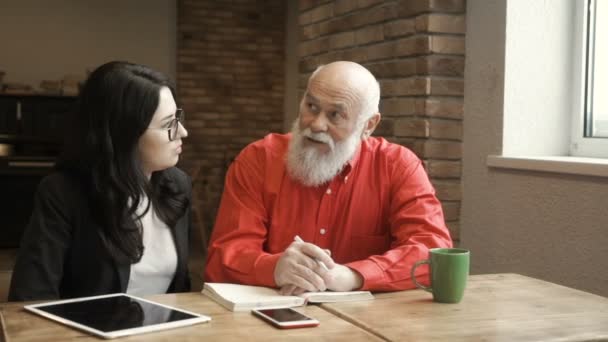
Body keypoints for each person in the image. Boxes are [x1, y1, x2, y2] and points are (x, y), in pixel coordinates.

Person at [205, 61, 452, 294]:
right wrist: (275, 268)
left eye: (335, 115)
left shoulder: (397, 165)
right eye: (311, 107)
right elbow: (224, 257)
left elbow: (434, 251)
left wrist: (353, 276)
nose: (315, 124)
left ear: (369, 125)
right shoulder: (258, 159)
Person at [9, 61, 191, 301]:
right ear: (123, 133)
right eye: (169, 124)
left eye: (178, 117)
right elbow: (31, 296)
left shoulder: (177, 185)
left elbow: (181, 294)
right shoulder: (64, 193)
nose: (183, 132)